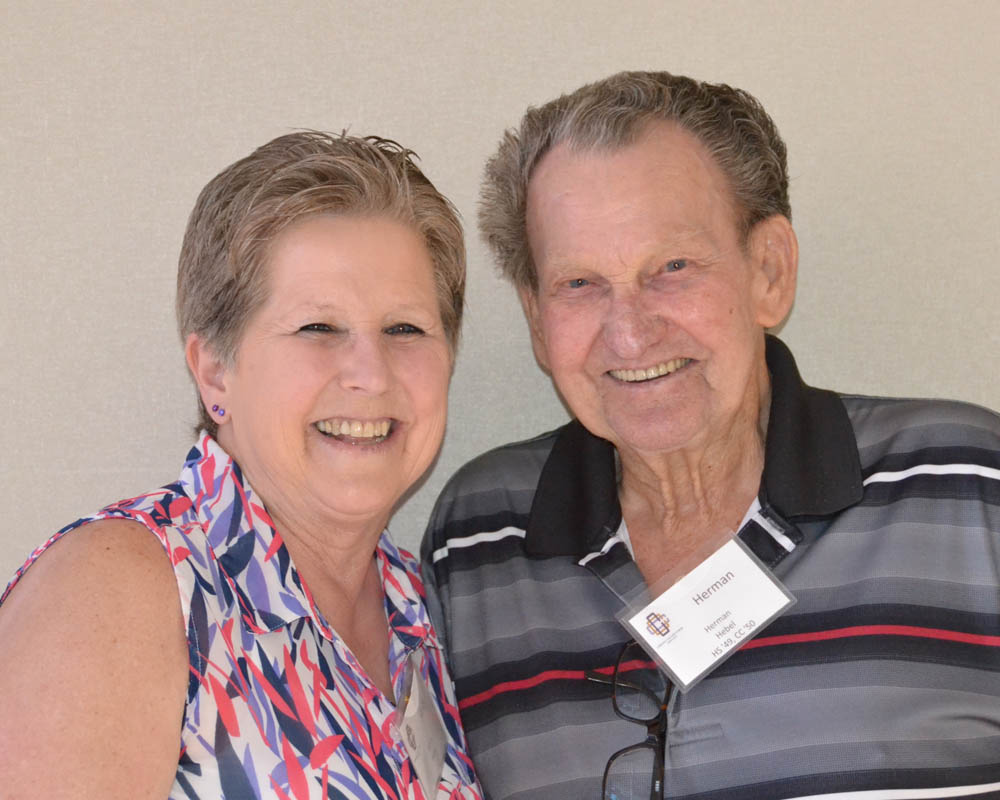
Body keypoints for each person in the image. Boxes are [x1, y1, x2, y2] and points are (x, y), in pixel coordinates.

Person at [421, 71, 1000, 799]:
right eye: (580, 284)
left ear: (769, 271)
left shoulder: (969, 488)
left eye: (672, 267)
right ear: (537, 318)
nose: (629, 332)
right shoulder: (477, 541)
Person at [0, 131, 483, 799]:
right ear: (215, 372)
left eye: (405, 329)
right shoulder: (127, 590)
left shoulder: (419, 608)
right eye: (319, 328)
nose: (371, 374)